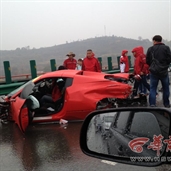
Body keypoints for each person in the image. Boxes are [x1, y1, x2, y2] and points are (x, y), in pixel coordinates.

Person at [146, 35, 171, 107]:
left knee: (153, 88)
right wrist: (164, 65)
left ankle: (152, 104)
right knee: (166, 87)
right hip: (164, 71)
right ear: (161, 40)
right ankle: (166, 104)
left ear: (154, 41)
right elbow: (169, 59)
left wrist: (153, 66)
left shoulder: (150, 49)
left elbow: (147, 61)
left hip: (154, 72)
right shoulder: (166, 48)